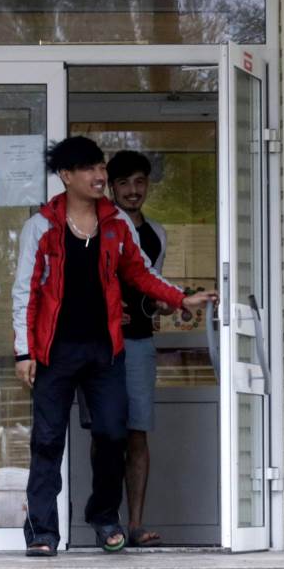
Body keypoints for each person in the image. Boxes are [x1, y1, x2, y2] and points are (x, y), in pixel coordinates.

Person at [12, 136, 216, 557]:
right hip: (54, 352)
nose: (99, 175)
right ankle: (42, 533)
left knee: (111, 434)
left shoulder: (116, 223)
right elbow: (25, 292)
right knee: (47, 441)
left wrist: (182, 299)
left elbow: (141, 272)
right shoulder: (42, 226)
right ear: (66, 176)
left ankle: (104, 517)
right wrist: (24, 351)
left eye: (101, 167)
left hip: (105, 351)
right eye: (89, 168)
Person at [107, 149, 168, 547]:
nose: (133, 190)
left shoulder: (157, 234)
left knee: (137, 433)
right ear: (111, 188)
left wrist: (171, 303)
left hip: (141, 344)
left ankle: (135, 524)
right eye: (124, 182)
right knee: (106, 434)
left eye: (140, 182)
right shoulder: (100, 228)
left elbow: (153, 285)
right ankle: (107, 523)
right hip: (101, 345)